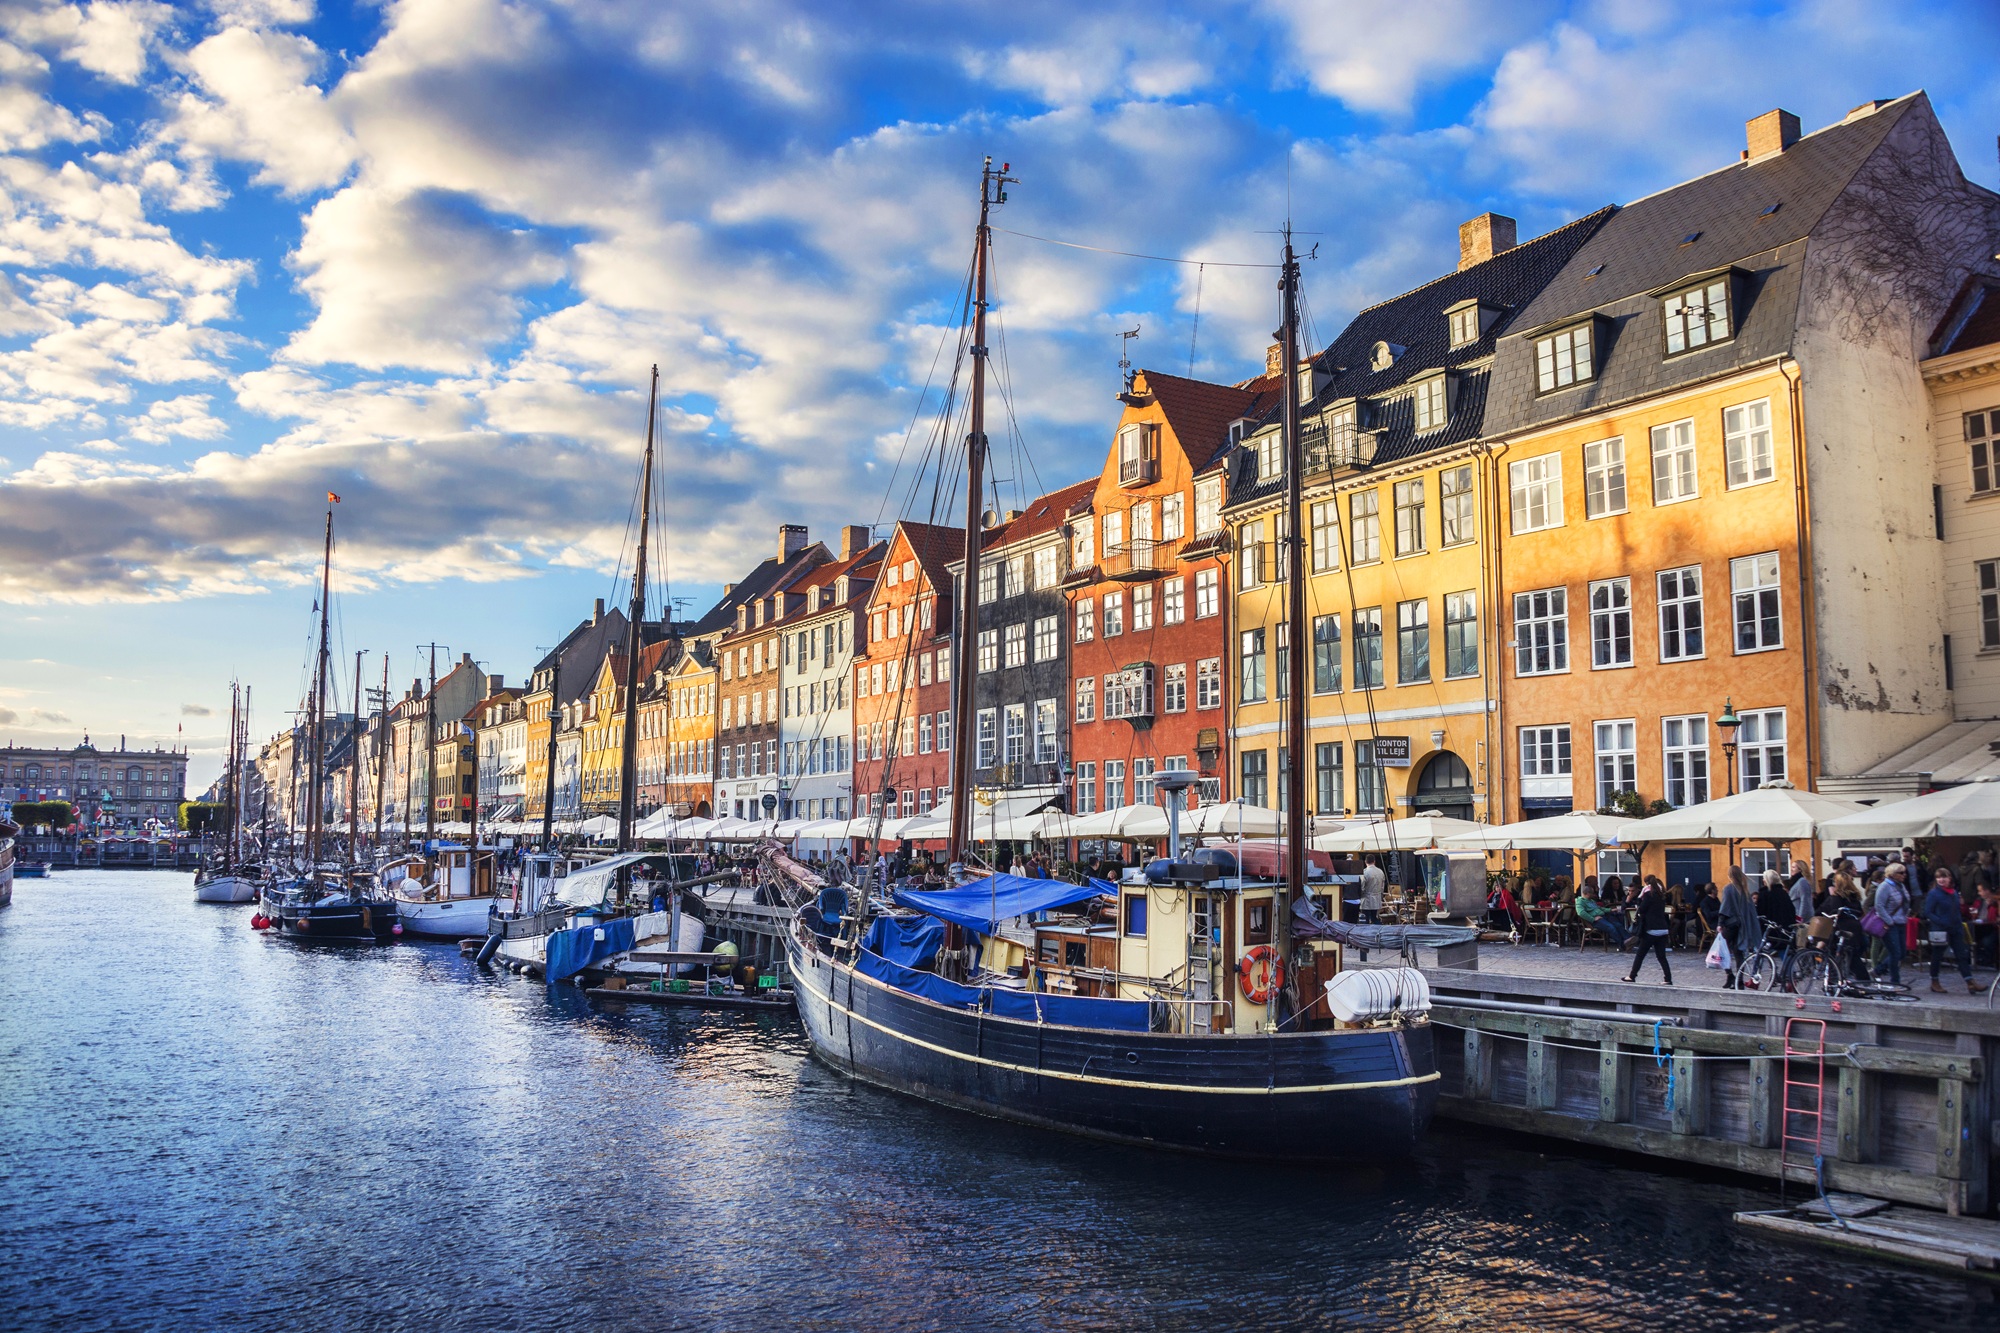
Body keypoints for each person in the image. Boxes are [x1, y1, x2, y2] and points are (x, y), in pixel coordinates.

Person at [1924, 866, 1987, 994]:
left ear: (1949, 878)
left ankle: (1970, 982)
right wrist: (1941, 921)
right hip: (1941, 930)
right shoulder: (1934, 894)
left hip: (1955, 929)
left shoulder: (1953, 893)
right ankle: (1934, 982)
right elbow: (1928, 912)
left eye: (1944, 877)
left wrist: (1959, 923)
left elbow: (1957, 911)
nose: (1941, 880)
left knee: (1961, 955)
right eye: (1938, 877)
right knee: (1937, 956)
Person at [1623, 876, 1674, 985]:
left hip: (1651, 929)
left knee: (1640, 955)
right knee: (1661, 956)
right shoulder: (1661, 895)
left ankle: (1632, 976)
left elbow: (1641, 909)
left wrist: (1640, 898)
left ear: (1647, 884)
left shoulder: (1648, 895)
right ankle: (1668, 978)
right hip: (1663, 929)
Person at [1718, 868, 1760, 988]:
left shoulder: (1728, 889)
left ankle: (1730, 975)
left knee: (1722, 949)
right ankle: (1739, 980)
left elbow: (1725, 908)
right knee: (1738, 952)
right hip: (1742, 926)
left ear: (1730, 875)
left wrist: (1720, 923)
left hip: (1731, 925)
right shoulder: (1744, 890)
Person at [1874, 862, 1912, 986]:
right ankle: (1895, 981)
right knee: (1895, 952)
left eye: (1905, 872)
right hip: (1890, 924)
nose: (1904, 875)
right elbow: (1879, 906)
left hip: (1901, 921)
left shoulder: (1901, 886)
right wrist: (1889, 921)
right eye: (1901, 873)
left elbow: (1906, 901)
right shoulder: (1884, 886)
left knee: (1902, 952)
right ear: (1893, 874)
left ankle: (1878, 970)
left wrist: (1906, 914)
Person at [1787, 860, 1814, 924]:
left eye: (1793, 867)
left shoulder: (1802, 882)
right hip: (1795, 915)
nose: (1791, 869)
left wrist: (1800, 919)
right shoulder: (1795, 881)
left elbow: (1805, 901)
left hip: (1801, 918)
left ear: (1800, 869)